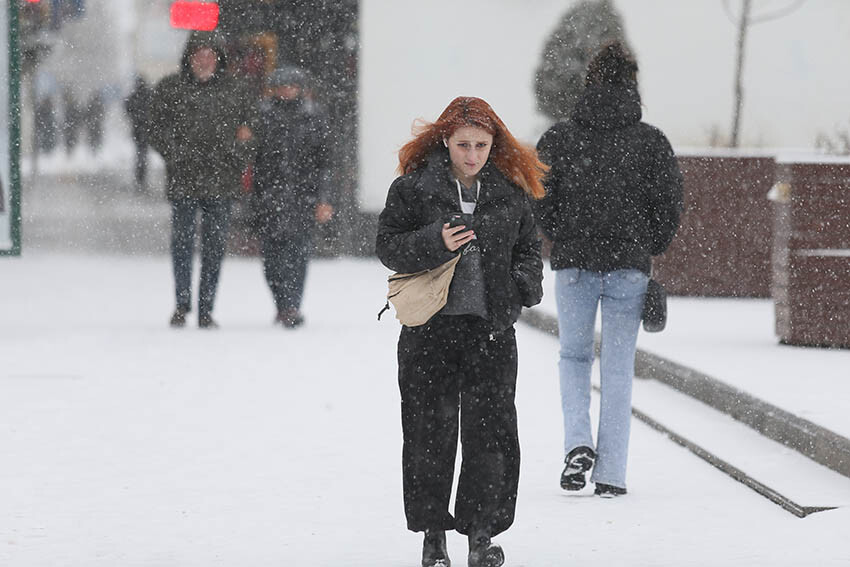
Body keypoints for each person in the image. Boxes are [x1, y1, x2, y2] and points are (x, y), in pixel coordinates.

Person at [376, 96, 546, 567]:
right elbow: (387, 245)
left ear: (494, 145)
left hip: (490, 332)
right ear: (446, 141)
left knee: (490, 435)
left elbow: (530, 250)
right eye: (463, 144)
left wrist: (518, 289)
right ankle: (434, 538)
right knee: (429, 432)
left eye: (482, 145)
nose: (472, 155)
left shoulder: (509, 191)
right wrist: (435, 241)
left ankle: (481, 536)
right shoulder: (414, 188)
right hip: (430, 332)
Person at [534, 42, 684, 497]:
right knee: (618, 369)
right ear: (633, 86)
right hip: (629, 269)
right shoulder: (651, 141)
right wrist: (646, 245)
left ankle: (578, 442)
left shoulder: (560, 137)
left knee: (574, 358)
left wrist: (564, 233)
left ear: (589, 82)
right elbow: (669, 205)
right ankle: (612, 475)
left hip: (575, 264)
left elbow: (540, 194)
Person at [147, 32, 256, 329]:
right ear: (189, 58)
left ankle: (207, 308)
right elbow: (154, 128)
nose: (204, 60)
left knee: (214, 247)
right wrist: (176, 154)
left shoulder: (237, 90)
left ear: (218, 59)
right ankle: (182, 304)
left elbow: (252, 132)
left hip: (222, 182)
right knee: (181, 244)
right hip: (184, 180)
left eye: (209, 55)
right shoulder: (171, 89)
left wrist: (234, 154)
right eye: (198, 55)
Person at [250, 65, 333, 328]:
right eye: (283, 87)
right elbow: (253, 157)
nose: (287, 92)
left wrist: (323, 197)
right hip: (269, 195)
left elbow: (325, 162)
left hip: (303, 195)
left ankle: (291, 306)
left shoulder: (315, 117)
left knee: (298, 255)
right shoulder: (262, 116)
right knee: (272, 259)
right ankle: (282, 302)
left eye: (292, 87)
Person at [124, 76, 151, 187]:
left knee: (140, 152)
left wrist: (134, 118)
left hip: (138, 129)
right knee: (143, 152)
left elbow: (127, 106)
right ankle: (142, 174)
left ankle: (139, 174)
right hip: (147, 129)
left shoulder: (134, 96)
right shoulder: (149, 95)